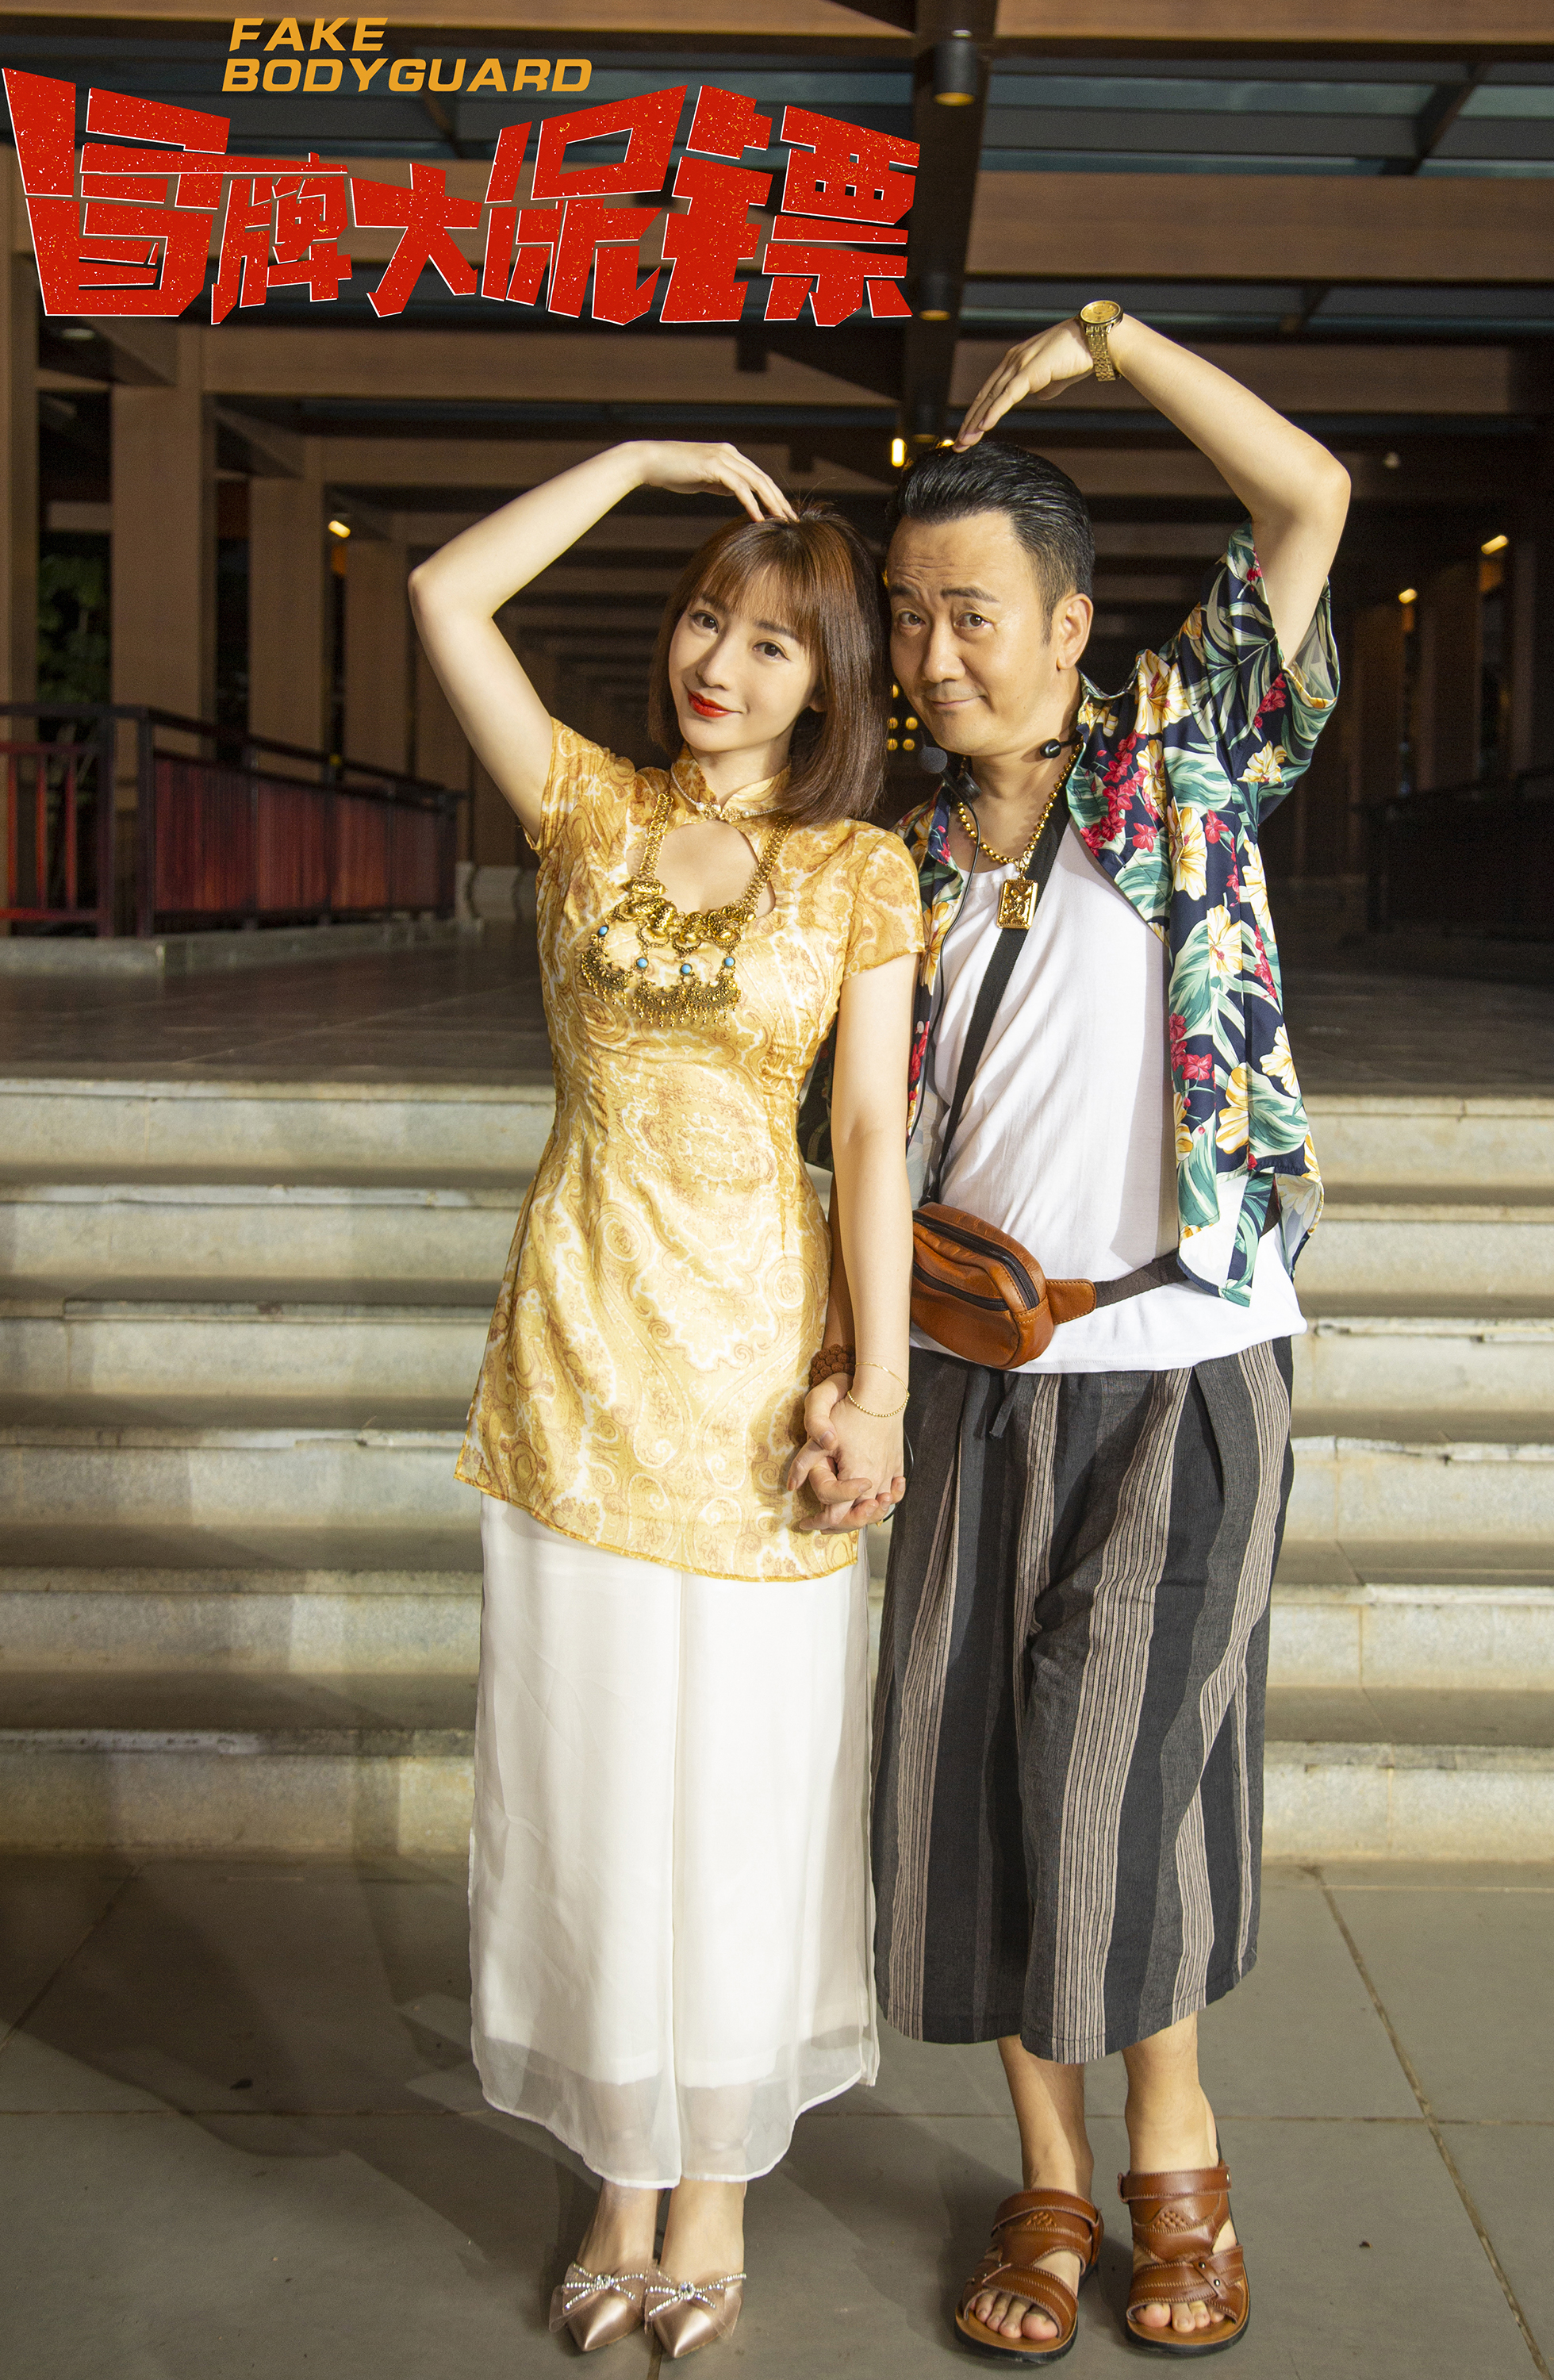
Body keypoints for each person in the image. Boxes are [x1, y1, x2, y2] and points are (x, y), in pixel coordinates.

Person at [794, 309, 1348, 2361]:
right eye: (907, 615)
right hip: (968, 1375)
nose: (933, 654)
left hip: (1188, 1358)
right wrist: (850, 1367)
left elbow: (1308, 495)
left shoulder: (1184, 753)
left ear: (1069, 622)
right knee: (966, 1784)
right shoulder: (891, 864)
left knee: (1112, 1768)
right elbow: (858, 1140)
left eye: (972, 614)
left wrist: (1111, 343)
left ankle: (1173, 2165)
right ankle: (1043, 2181)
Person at [409, 440, 922, 2361]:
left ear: (829, 684)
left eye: (773, 644)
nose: (720, 663)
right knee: (591, 1778)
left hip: (760, 1384)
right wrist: (636, 462)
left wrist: (876, 1386)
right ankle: (619, 2166)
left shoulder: (856, 871)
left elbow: (867, 1134)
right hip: (577, 1354)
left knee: (745, 1785)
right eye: (708, 620)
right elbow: (446, 597)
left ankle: (713, 2182)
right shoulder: (589, 811)